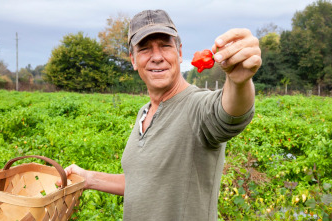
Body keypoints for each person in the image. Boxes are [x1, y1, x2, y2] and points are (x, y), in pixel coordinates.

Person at [57, 9, 261, 220]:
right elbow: (143, 183)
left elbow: (229, 113)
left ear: (179, 53)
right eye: (144, 49)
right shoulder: (143, 113)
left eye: (165, 46)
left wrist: (239, 82)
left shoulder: (197, 107)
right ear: (134, 60)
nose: (156, 57)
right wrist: (88, 178)